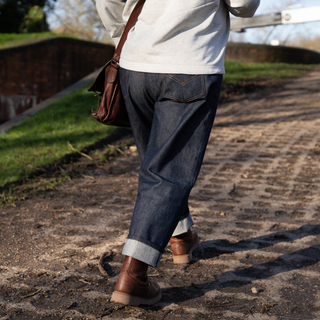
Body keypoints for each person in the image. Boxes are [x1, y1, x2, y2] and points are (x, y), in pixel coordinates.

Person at [96, 0, 260, 306]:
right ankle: (133, 275)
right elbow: (243, 5)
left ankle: (181, 237)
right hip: (189, 66)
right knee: (167, 173)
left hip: (136, 66)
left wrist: (125, 34)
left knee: (156, 162)